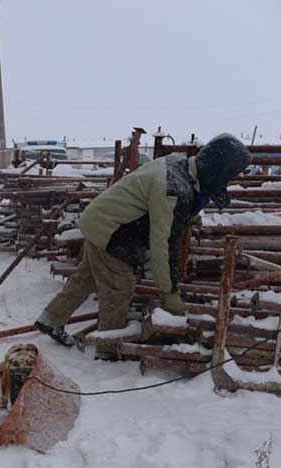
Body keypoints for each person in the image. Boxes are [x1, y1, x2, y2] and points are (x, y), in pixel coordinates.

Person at [33, 133, 251, 359]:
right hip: (113, 229)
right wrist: (170, 292)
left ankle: (50, 320)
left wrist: (185, 214)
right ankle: (107, 352)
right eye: (229, 175)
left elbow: (166, 199)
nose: (230, 181)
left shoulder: (179, 165)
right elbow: (163, 244)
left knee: (86, 277)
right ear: (218, 168)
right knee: (119, 288)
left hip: (101, 219)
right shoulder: (173, 190)